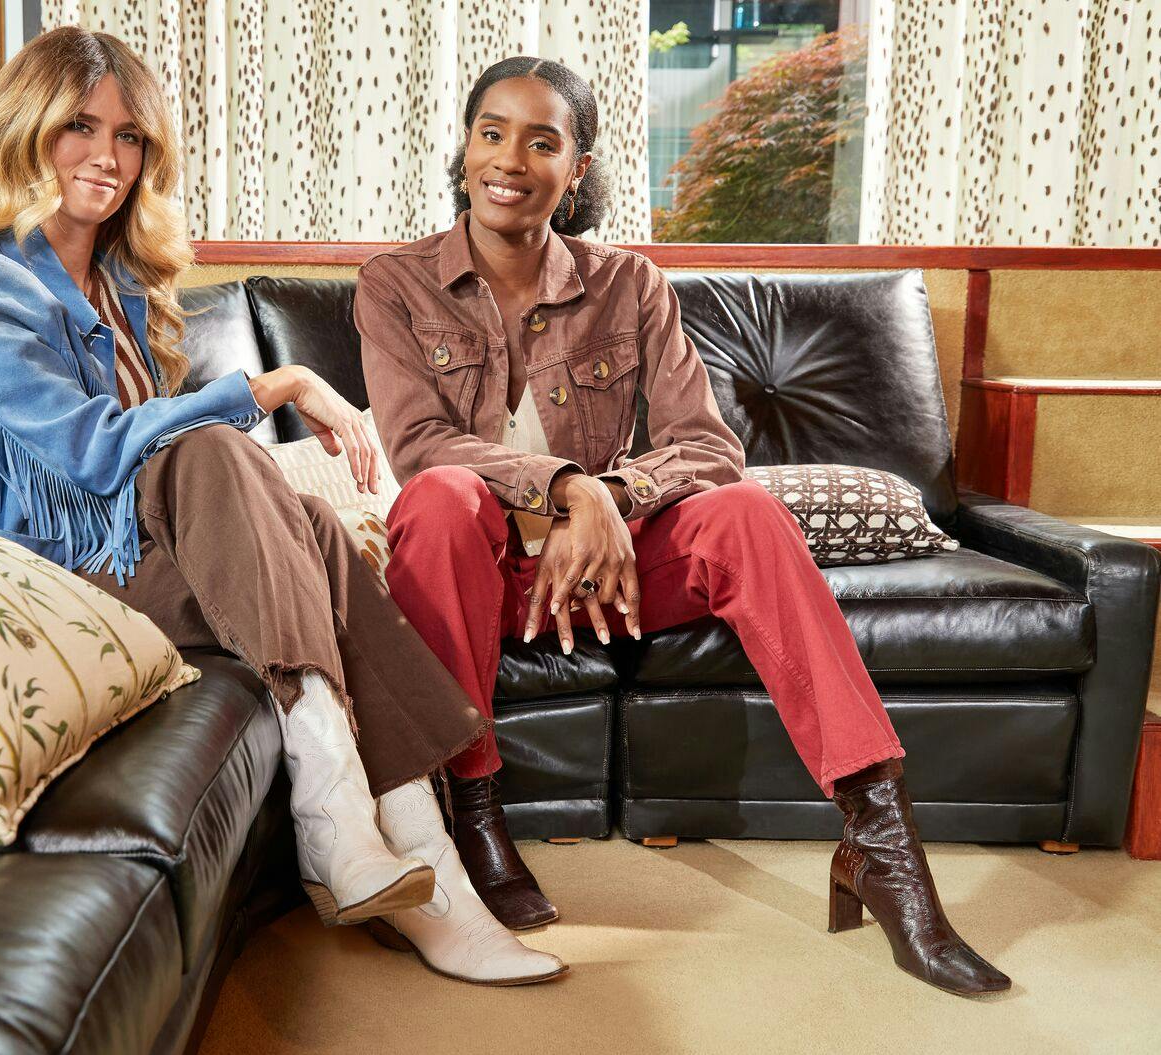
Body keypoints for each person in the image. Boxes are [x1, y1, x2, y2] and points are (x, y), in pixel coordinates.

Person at [0, 28, 566, 986]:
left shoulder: (114, 283)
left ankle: (415, 855)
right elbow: (86, 451)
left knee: (318, 528)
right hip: (36, 568)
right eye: (79, 126)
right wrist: (272, 384)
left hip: (114, 552)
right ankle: (367, 837)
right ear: (24, 127)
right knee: (214, 448)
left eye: (129, 137)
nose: (107, 157)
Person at [355, 55, 1009, 997]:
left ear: (576, 169)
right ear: (463, 148)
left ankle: (883, 846)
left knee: (744, 511)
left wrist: (613, 503)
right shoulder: (394, 285)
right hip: (476, 580)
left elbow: (710, 448)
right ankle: (474, 816)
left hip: (606, 579)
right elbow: (420, 445)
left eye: (544, 141)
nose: (511, 159)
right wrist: (572, 485)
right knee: (441, 500)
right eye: (492, 132)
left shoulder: (632, 285)